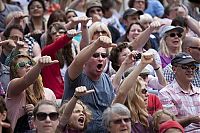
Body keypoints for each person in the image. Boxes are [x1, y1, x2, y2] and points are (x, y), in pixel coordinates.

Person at [62, 36, 116, 132]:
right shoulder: (76, 76)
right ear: (86, 59)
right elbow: (78, 61)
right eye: (95, 55)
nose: (100, 59)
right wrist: (96, 44)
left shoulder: (106, 78)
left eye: (103, 56)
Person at [6, 55, 57, 132]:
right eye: (22, 65)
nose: (27, 65)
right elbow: (27, 80)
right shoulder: (12, 88)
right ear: (15, 71)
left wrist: (36, 111)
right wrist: (39, 65)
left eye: (30, 63)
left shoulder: (49, 93)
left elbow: (54, 119)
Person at [113, 51, 155, 133]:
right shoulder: (118, 114)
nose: (148, 94)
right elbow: (122, 92)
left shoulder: (148, 119)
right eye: (143, 91)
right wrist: (142, 64)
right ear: (132, 94)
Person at [159, 52, 200, 132]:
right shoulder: (166, 93)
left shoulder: (199, 91)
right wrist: (190, 119)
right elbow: (170, 123)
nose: (190, 70)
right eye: (185, 67)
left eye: (192, 67)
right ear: (174, 69)